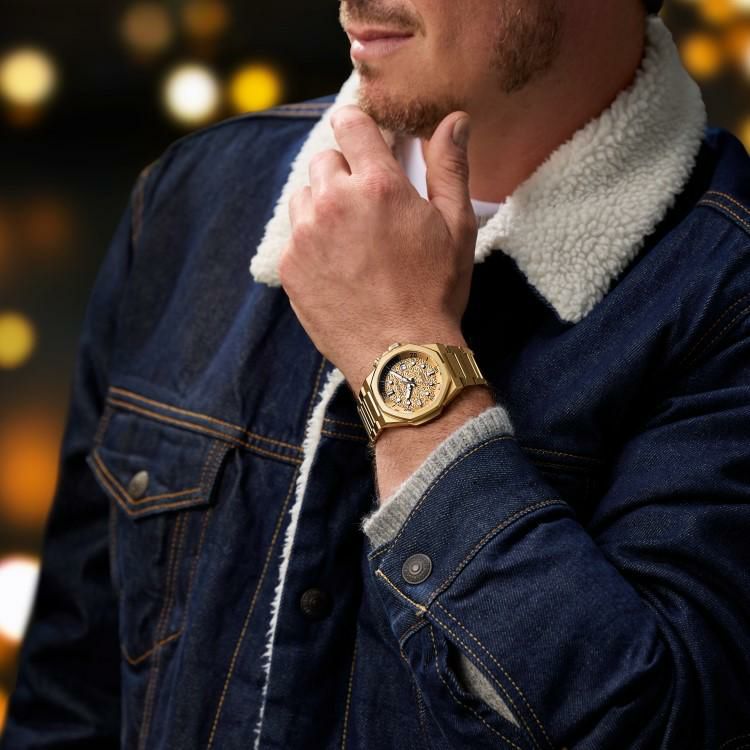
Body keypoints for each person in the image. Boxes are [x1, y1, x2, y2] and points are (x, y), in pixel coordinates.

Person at [2, 0, 750, 746]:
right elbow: (68, 703)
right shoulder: (193, 195)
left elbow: (649, 726)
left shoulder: (726, 288)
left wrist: (403, 349)